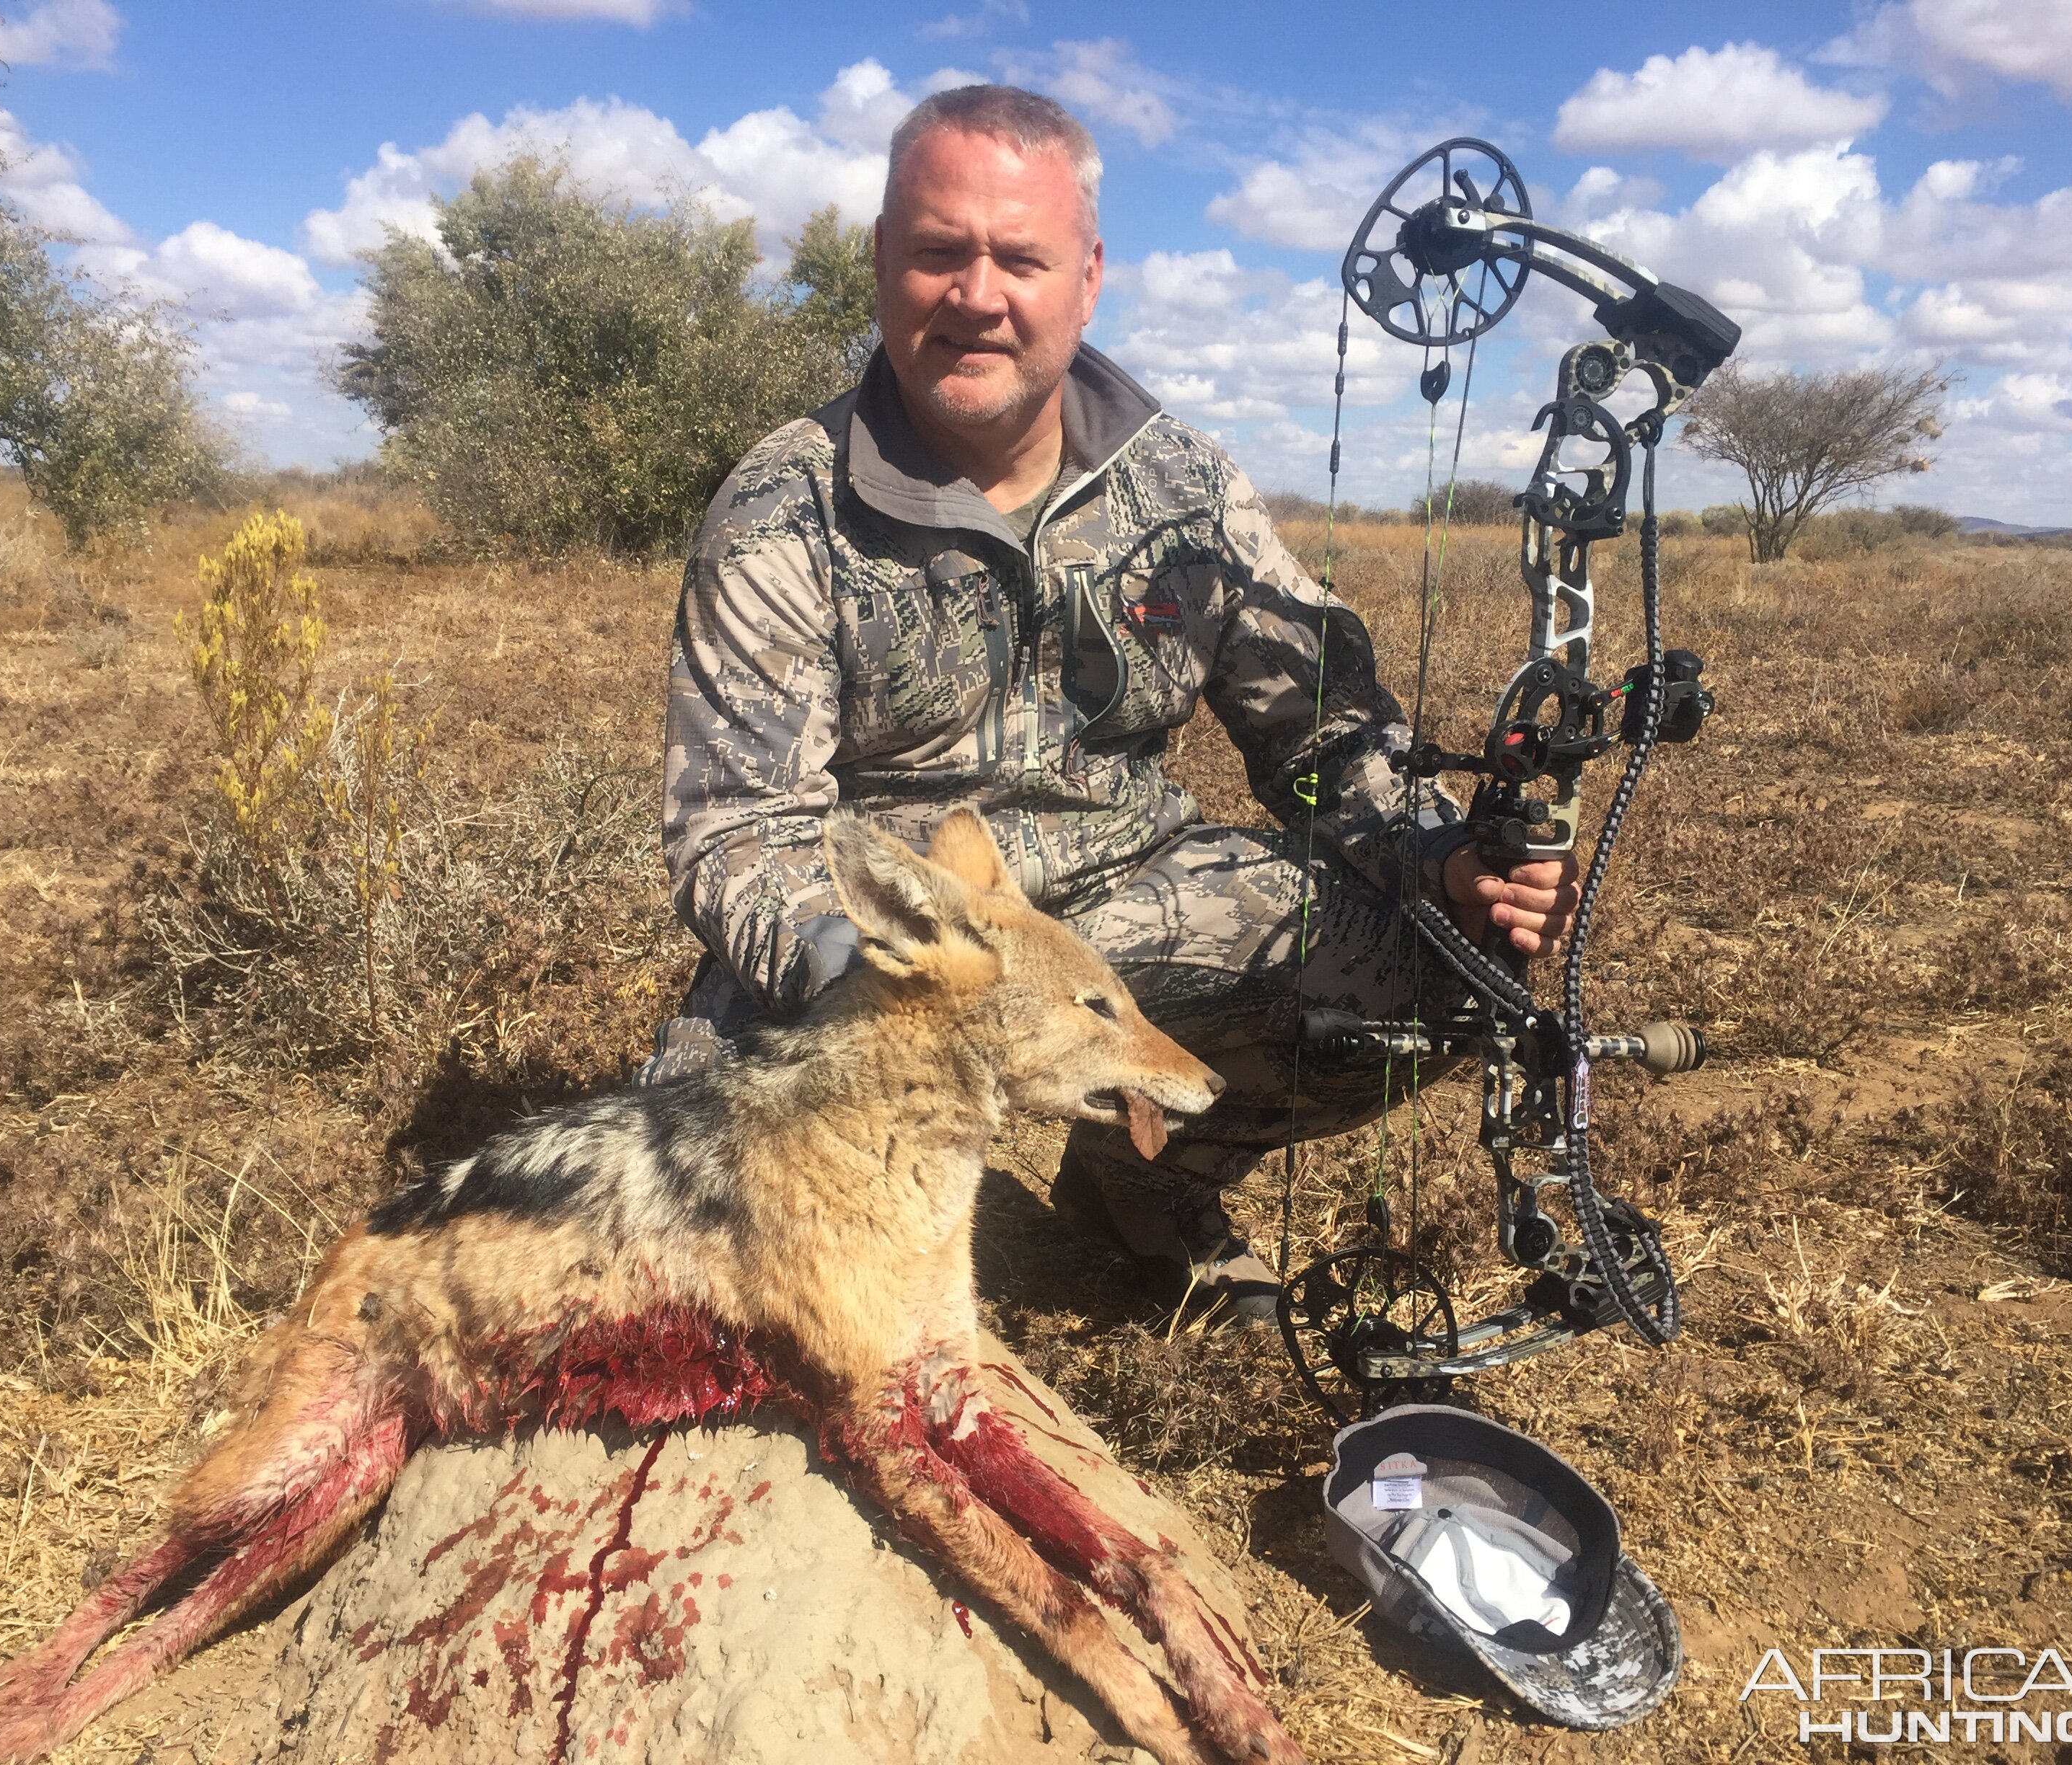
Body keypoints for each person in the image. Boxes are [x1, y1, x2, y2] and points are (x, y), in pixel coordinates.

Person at [657, 83, 1579, 1322]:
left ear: (1084, 279)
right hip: (893, 946)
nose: (976, 294)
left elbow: (1319, 730)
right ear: (881, 263)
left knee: (1457, 962)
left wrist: (1440, 853)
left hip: (1127, 892)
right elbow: (736, 831)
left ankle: (1140, 1179)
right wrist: (878, 981)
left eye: (1017, 258)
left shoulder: (1182, 480)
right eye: (936, 251)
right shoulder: (784, 505)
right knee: (690, 1244)